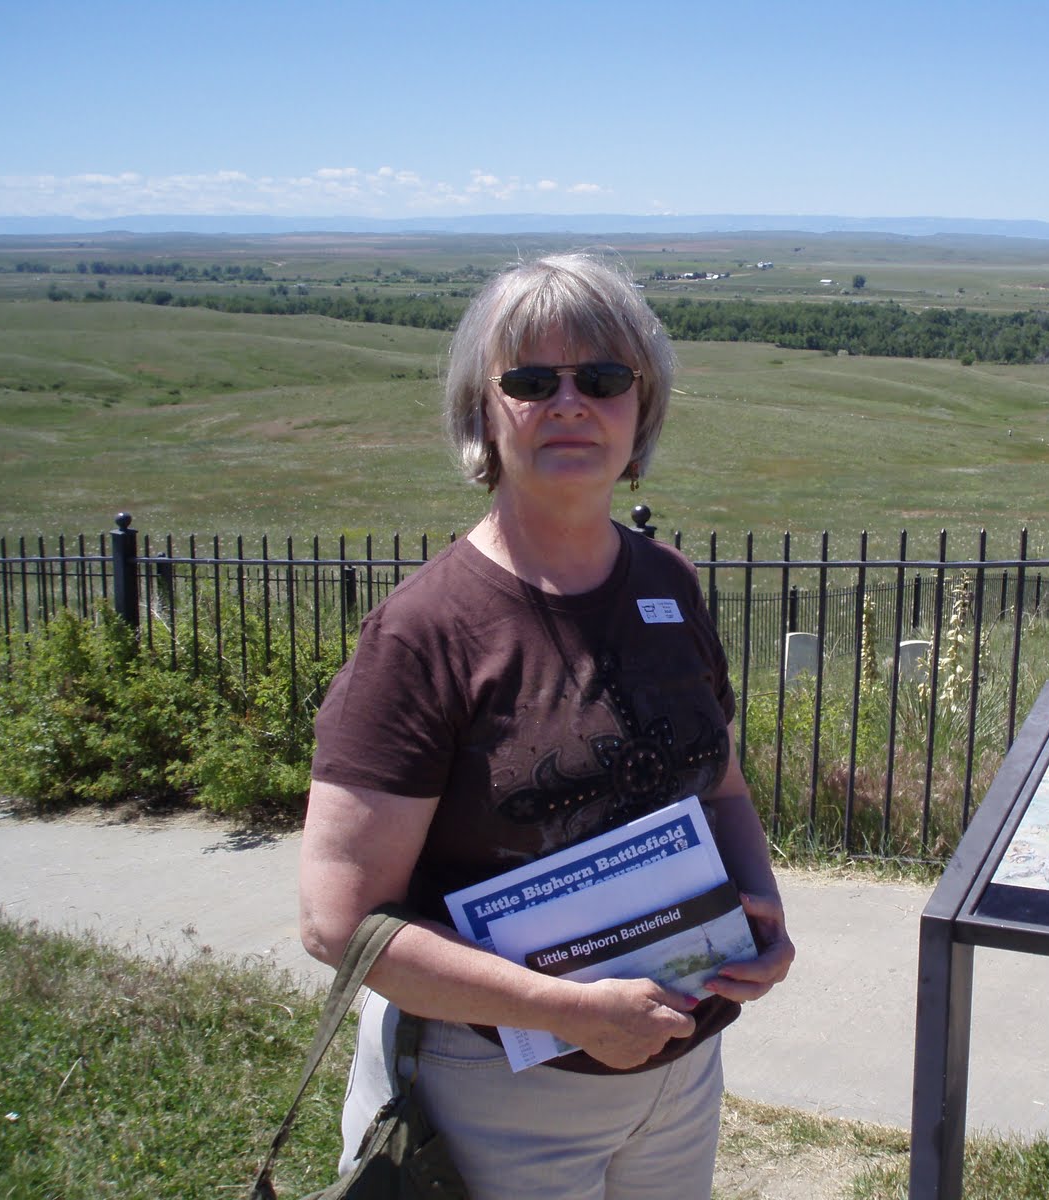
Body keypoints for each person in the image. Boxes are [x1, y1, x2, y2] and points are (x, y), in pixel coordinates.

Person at [299, 253, 795, 1200]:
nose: (570, 402)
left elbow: (719, 784)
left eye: (604, 378)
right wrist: (565, 1011)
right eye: (531, 380)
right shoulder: (424, 632)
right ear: (483, 414)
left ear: (640, 408)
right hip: (486, 1083)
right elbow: (338, 923)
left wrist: (757, 914)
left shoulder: (668, 582)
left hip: (680, 1062)